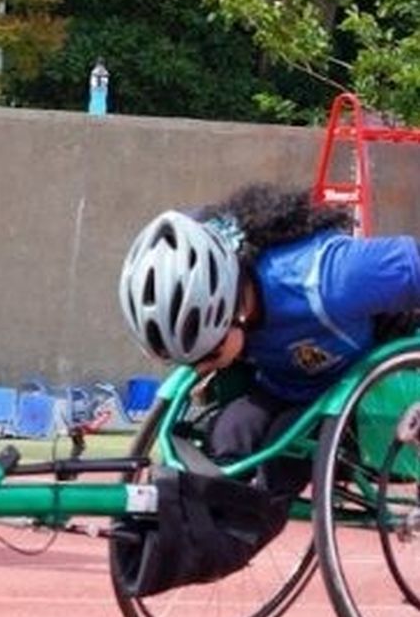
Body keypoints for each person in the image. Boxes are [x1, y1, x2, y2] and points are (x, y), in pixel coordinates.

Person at [118, 182, 420, 493]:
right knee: (226, 441)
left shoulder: (332, 278)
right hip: (280, 386)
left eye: (205, 354)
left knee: (281, 458)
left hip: (365, 397)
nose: (198, 369)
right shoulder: (210, 249)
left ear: (232, 311)